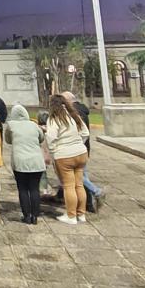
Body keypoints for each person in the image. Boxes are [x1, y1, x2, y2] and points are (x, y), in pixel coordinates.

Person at [45, 94, 91, 226]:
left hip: (64, 154)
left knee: (68, 186)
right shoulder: (74, 116)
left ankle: (71, 215)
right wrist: (79, 143)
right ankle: (81, 213)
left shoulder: (54, 119)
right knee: (79, 184)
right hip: (81, 152)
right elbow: (85, 133)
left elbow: (51, 137)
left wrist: (54, 151)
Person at [4, 104, 46, 224]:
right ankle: (35, 216)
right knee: (34, 189)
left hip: (20, 161)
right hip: (36, 161)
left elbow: (8, 140)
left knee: (22, 188)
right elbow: (41, 138)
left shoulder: (11, 126)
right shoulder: (33, 125)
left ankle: (27, 215)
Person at [62, 90, 104, 208]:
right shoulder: (82, 110)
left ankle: (96, 191)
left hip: (76, 149)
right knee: (82, 176)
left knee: (78, 177)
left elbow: (78, 132)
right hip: (84, 149)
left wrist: (75, 144)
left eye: (64, 101)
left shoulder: (75, 113)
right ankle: (90, 202)